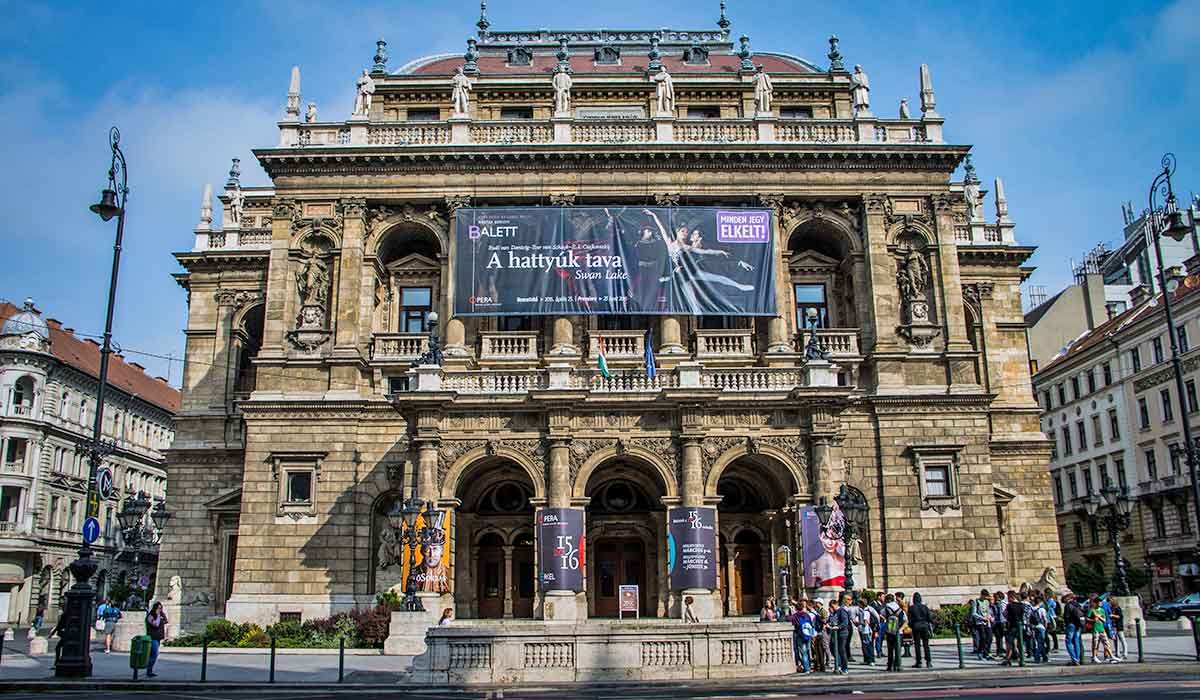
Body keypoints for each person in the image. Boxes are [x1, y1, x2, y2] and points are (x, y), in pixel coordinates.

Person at [907, 592, 933, 668]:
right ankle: (928, 661)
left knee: (917, 645)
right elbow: (929, 618)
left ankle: (919, 662)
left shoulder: (911, 608)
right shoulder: (925, 607)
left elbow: (909, 619)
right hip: (924, 626)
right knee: (926, 645)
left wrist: (912, 626)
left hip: (916, 626)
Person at [827, 597, 852, 674]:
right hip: (835, 633)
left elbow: (845, 622)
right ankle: (839, 665)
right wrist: (828, 624)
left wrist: (838, 627)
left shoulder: (842, 611)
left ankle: (844, 668)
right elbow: (831, 620)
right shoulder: (834, 612)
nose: (831, 608)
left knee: (841, 650)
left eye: (832, 606)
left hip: (842, 633)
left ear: (835, 604)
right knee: (833, 648)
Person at [792, 600, 817, 674]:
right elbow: (811, 624)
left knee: (803, 653)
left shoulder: (795, 616)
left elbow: (790, 621)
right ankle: (808, 666)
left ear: (796, 609)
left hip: (800, 635)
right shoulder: (807, 615)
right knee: (807, 651)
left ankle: (806, 668)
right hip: (807, 635)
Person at [1088, 595, 1115, 663]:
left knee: (1106, 643)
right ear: (1096, 603)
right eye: (1099, 602)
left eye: (1101, 602)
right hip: (1095, 629)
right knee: (1095, 644)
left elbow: (1104, 620)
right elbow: (1087, 618)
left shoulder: (1102, 610)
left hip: (1102, 629)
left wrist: (1099, 617)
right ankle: (1094, 657)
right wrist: (1093, 620)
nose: (1101, 603)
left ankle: (1112, 656)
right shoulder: (1092, 610)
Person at [144, 602, 168, 678]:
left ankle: (149, 670)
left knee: (153, 655)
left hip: (158, 638)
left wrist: (162, 615)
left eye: (161, 608)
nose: (160, 610)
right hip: (152, 637)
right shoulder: (150, 616)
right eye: (158, 608)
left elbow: (165, 622)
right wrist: (158, 615)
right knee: (154, 655)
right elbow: (156, 624)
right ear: (155, 608)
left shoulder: (160, 615)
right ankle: (149, 670)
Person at [883, 593, 906, 672]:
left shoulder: (886, 608)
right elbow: (905, 620)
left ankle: (890, 666)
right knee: (898, 649)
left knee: (890, 649)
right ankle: (898, 665)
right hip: (898, 631)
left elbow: (880, 615)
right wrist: (901, 629)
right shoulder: (899, 608)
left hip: (890, 630)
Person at [971, 589, 994, 660]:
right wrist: (982, 618)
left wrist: (990, 617)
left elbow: (988, 611)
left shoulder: (986, 602)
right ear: (981, 595)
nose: (985, 598)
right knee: (983, 638)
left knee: (990, 638)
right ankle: (980, 652)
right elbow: (974, 613)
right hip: (980, 622)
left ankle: (987, 652)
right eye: (984, 596)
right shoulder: (976, 602)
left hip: (987, 622)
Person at [1062, 593, 1084, 666]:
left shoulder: (1068, 605)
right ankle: (1077, 659)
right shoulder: (1078, 605)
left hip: (1071, 624)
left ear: (1067, 598)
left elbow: (1067, 616)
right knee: (1076, 641)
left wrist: (1066, 624)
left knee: (1068, 641)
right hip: (1078, 625)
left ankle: (1074, 659)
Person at [856, 596, 878, 665]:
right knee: (867, 645)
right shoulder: (865, 610)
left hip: (866, 630)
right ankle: (868, 659)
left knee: (867, 645)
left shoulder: (865, 611)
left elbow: (866, 622)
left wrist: (859, 622)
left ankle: (870, 659)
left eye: (859, 604)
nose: (858, 605)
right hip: (866, 630)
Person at [991, 590, 1008, 659]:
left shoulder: (1003, 604)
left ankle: (1003, 650)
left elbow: (1005, 613)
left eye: (996, 597)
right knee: (998, 637)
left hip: (1002, 622)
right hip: (998, 622)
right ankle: (999, 650)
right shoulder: (995, 605)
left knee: (1003, 637)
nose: (995, 598)